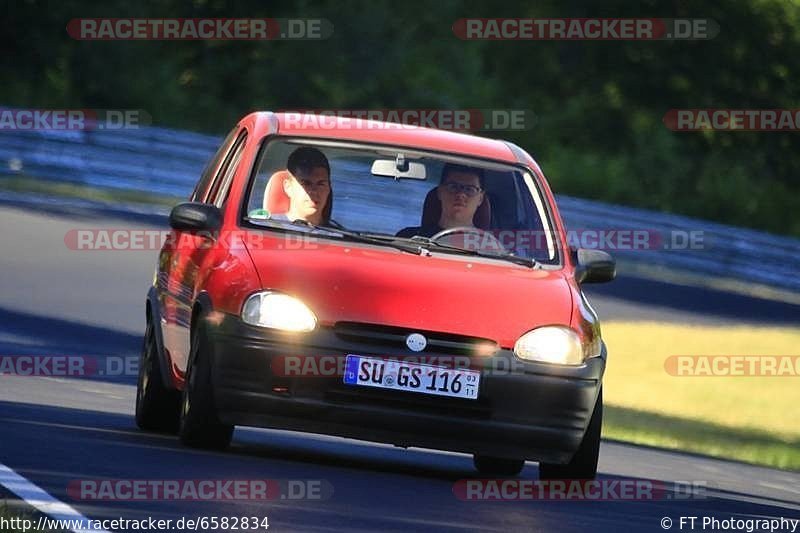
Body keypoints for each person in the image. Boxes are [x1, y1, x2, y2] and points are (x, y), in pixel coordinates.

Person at [396, 163, 486, 238]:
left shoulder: (490, 250)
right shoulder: (408, 239)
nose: (461, 195)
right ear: (440, 192)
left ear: (480, 198)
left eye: (470, 189)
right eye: (453, 187)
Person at [269, 146, 332, 226]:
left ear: (329, 188)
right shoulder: (263, 229)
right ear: (288, 187)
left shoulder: (340, 237)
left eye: (320, 184)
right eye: (306, 184)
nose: (314, 191)